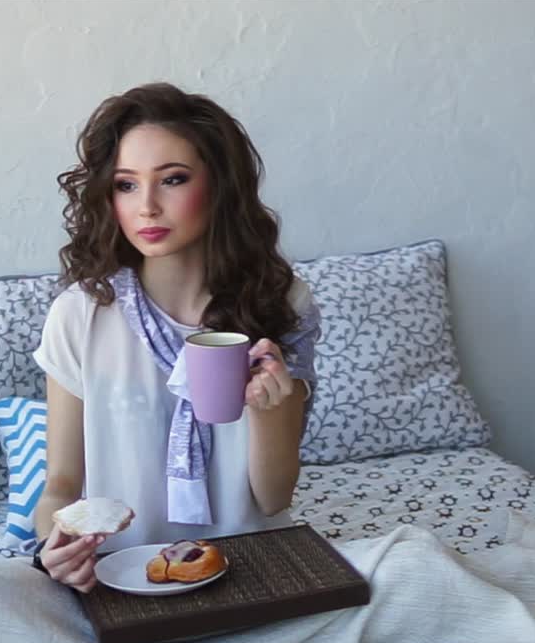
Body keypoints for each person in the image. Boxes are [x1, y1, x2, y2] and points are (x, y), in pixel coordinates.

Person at [29, 83, 321, 593]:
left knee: (407, 570)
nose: (147, 207)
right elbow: (60, 485)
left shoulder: (281, 301)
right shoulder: (80, 314)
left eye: (173, 180)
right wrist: (54, 546)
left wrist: (271, 408)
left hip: (251, 572)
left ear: (220, 186)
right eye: (125, 185)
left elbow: (273, 500)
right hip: (120, 578)